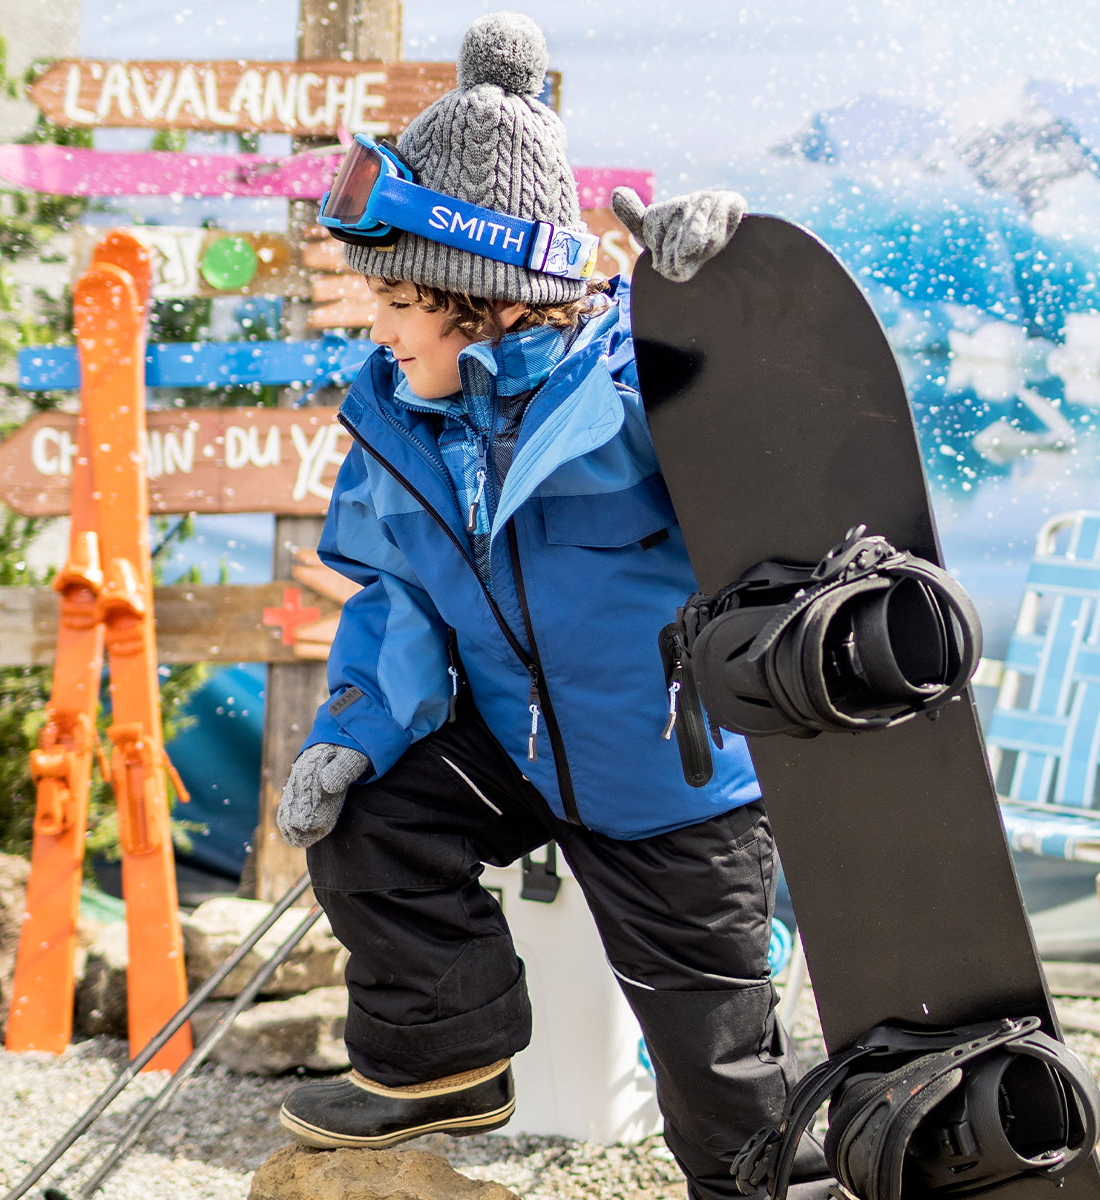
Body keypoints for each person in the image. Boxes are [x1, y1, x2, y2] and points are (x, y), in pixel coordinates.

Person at [274, 12, 832, 1199]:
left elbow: (782, 446)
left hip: (675, 783)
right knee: (370, 824)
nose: (378, 328)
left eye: (397, 301)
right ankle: (444, 1059)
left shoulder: (636, 386)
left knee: (725, 1096)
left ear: (482, 294)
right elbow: (401, 597)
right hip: (516, 750)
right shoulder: (407, 423)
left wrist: (726, 303)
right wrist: (356, 727)